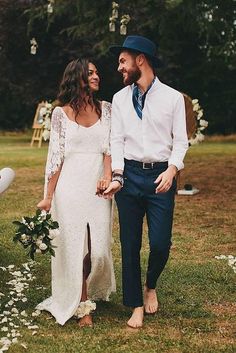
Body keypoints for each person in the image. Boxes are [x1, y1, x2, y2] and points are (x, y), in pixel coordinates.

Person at [104, 35, 188, 328]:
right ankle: (135, 305)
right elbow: (116, 140)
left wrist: (172, 170)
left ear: (141, 60)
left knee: (161, 244)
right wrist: (117, 175)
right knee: (129, 244)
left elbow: (181, 141)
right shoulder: (119, 98)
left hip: (160, 177)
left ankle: (150, 284)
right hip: (128, 177)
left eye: (123, 61)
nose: (119, 68)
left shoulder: (173, 98)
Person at [37, 58, 116, 327]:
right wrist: (48, 196)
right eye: (90, 73)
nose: (96, 76)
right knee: (76, 248)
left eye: (97, 73)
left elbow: (109, 149)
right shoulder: (61, 114)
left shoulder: (106, 109)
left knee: (98, 249)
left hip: (98, 188)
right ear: (78, 77)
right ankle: (83, 307)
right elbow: (55, 158)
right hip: (69, 188)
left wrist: (108, 177)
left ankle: (90, 290)